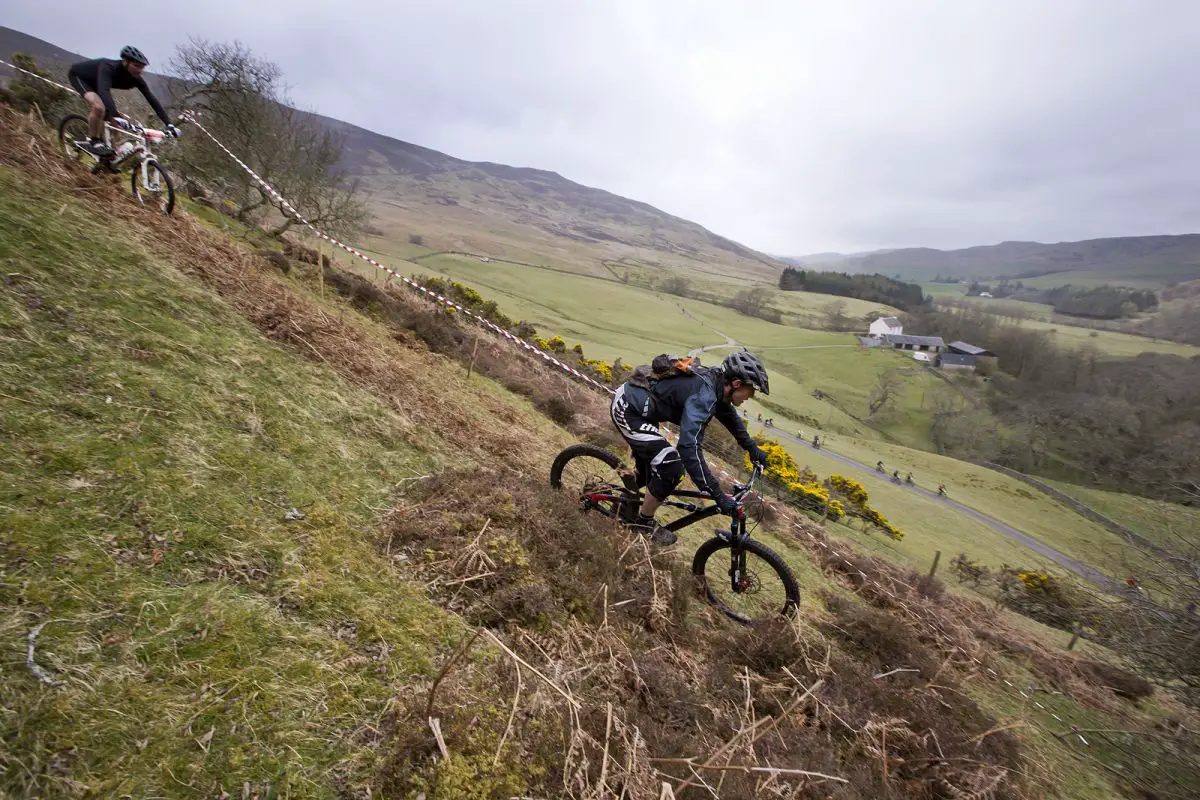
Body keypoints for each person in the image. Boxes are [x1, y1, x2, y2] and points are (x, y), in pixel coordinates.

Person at [610, 351, 770, 544]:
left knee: (651, 472)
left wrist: (752, 448)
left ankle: (621, 505)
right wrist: (717, 494)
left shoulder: (717, 384)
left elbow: (728, 415)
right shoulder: (705, 394)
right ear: (736, 384)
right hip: (629, 409)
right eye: (750, 391)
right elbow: (688, 447)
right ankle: (644, 523)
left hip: (644, 412)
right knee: (672, 467)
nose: (750, 396)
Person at [67, 46, 180, 156]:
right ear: (125, 62)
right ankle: (94, 140)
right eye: (136, 66)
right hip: (80, 77)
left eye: (142, 67)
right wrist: (114, 114)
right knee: (99, 107)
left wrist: (169, 124)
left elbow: (151, 99)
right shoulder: (108, 67)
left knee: (116, 121)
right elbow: (104, 91)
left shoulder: (136, 79)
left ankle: (111, 153)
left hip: (99, 83)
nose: (139, 70)